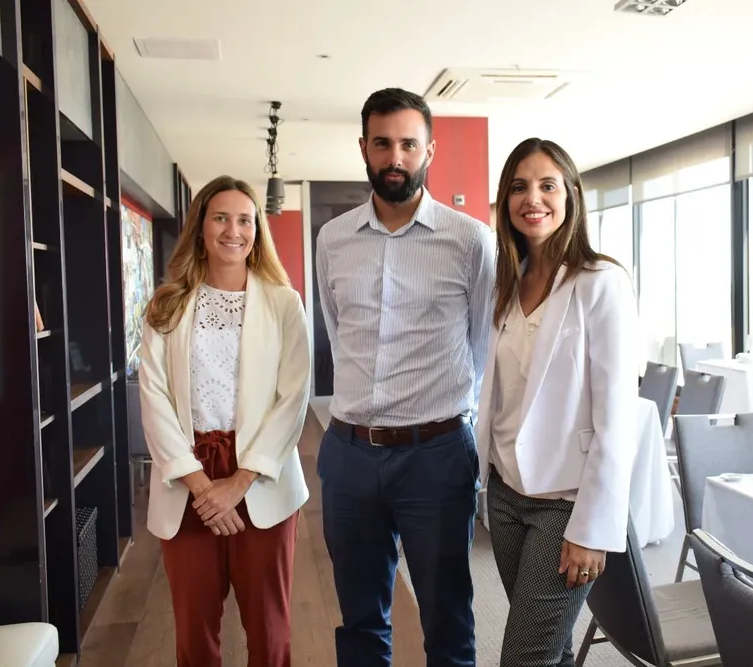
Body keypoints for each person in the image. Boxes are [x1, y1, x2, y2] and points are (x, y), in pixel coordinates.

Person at [315, 87, 496, 667]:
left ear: (430, 150)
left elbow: (483, 347)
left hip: (436, 455)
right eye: (383, 143)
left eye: (409, 145)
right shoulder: (332, 239)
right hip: (348, 454)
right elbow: (337, 328)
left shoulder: (471, 241)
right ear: (364, 148)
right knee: (360, 618)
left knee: (447, 615)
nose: (396, 157)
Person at [474, 138, 639, 667]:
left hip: (564, 505)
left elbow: (617, 417)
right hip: (504, 493)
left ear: (570, 194)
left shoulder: (601, 283)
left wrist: (593, 528)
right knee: (552, 651)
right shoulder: (508, 282)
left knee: (523, 658)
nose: (533, 198)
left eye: (548, 185)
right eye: (519, 187)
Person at [138, 175, 311, 667]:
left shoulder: (283, 303)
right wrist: (201, 486)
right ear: (200, 227)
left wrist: (239, 481)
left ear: (257, 229)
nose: (233, 230)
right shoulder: (166, 304)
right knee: (194, 633)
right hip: (185, 477)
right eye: (220, 217)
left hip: (260, 478)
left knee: (270, 631)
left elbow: (293, 397)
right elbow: (154, 399)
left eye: (244, 219)